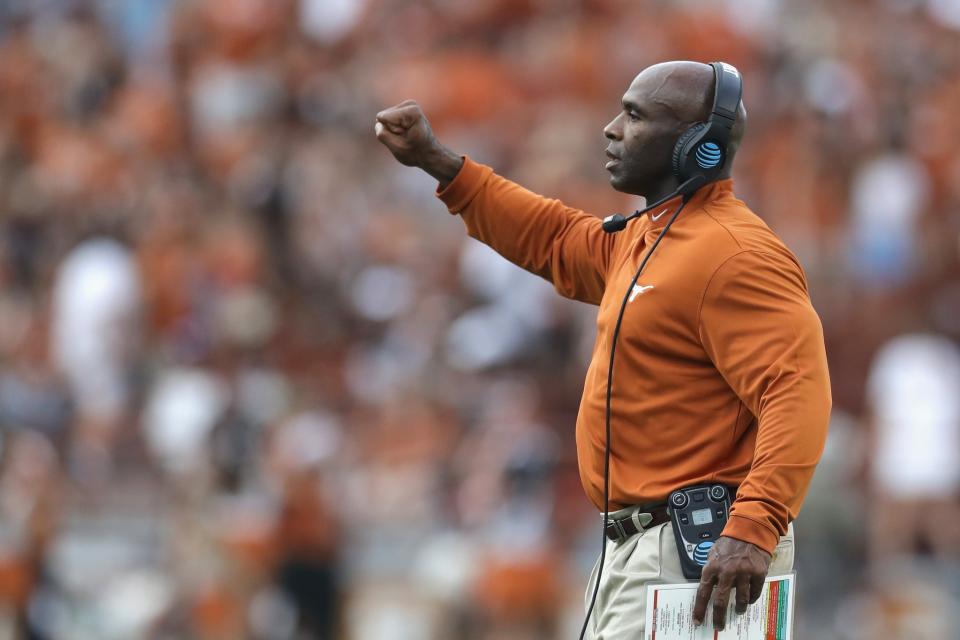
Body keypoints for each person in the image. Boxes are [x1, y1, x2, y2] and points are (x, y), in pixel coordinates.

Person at [375, 60, 831, 637]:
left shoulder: (736, 254)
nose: (612, 128)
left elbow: (798, 392)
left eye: (636, 116)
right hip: (646, 545)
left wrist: (753, 526)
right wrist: (441, 164)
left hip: (700, 548)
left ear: (697, 145)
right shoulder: (650, 235)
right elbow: (555, 237)